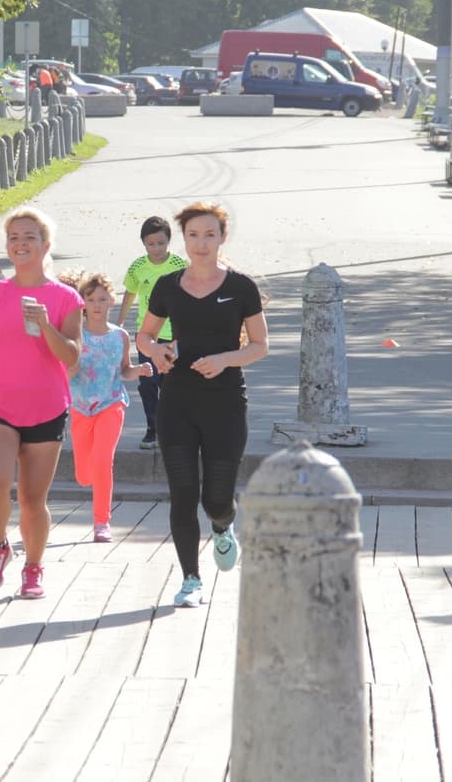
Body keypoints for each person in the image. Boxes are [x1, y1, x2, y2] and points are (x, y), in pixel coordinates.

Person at [136, 202, 268, 608]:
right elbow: (144, 336)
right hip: (177, 402)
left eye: (210, 234)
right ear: (184, 238)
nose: (201, 243)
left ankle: (223, 526)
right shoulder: (168, 285)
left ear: (222, 238)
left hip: (225, 403)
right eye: (193, 235)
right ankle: (190, 579)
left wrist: (225, 359)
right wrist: (157, 352)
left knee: (216, 499)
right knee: (182, 492)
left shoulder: (241, 288)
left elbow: (260, 345)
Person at [0, 207, 82, 599]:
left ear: (45, 245)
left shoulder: (65, 297)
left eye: (29, 237)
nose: (21, 244)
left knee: (32, 499)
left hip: (46, 408)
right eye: (14, 238)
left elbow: (72, 356)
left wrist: (45, 325)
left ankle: (33, 568)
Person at [59, 269, 153, 543]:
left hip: (112, 403)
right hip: (81, 406)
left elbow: (123, 370)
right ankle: (88, 478)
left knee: (103, 461)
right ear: (82, 303)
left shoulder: (120, 336)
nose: (97, 305)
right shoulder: (74, 335)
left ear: (111, 300)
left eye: (102, 299)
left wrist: (139, 371)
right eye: (91, 300)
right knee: (83, 474)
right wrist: (70, 369)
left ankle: (102, 522)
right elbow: (63, 370)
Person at [116, 216, 188, 449]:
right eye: (151, 244)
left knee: (171, 384)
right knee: (148, 382)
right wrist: (120, 322)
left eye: (161, 243)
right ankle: (152, 428)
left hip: (173, 334)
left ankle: (173, 430)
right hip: (147, 336)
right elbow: (130, 293)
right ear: (143, 243)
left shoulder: (180, 265)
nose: (156, 249)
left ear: (169, 241)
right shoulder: (138, 267)